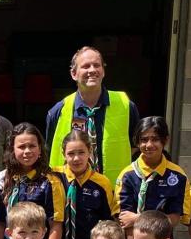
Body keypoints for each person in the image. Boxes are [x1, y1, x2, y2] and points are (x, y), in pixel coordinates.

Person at [46, 46, 141, 179]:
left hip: (114, 189)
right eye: (86, 66)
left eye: (97, 65)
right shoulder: (58, 111)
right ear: (74, 74)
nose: (92, 70)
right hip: (71, 190)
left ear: (103, 71)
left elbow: (136, 145)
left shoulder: (126, 106)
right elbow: (51, 149)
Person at [115, 116, 188, 239]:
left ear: (165, 140)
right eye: (143, 140)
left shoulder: (177, 176)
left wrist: (137, 218)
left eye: (154, 139)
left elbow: (174, 218)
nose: (149, 145)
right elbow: (125, 220)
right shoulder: (127, 175)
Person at [0, 122, 66, 239]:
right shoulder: (5, 178)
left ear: (40, 149)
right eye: (21, 147)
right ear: (12, 150)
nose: (27, 151)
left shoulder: (50, 181)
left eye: (32, 146)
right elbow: (1, 222)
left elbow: (55, 225)